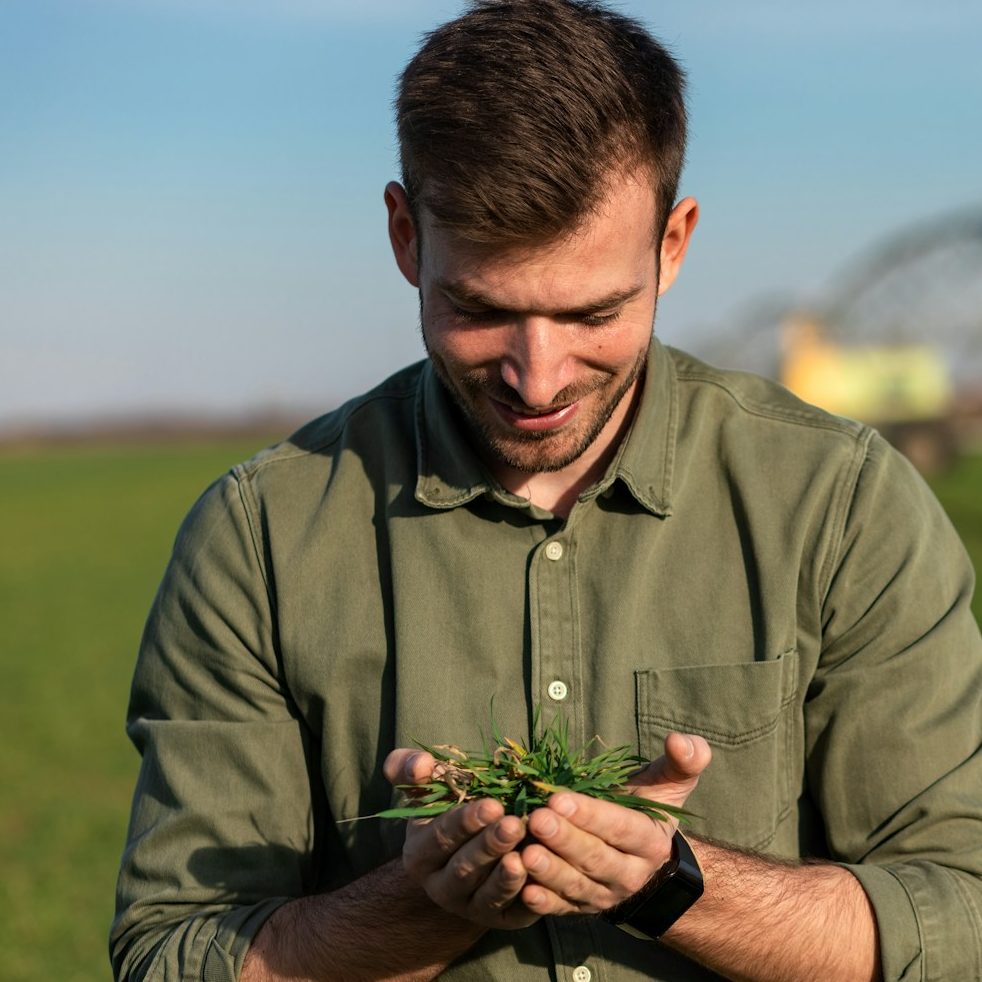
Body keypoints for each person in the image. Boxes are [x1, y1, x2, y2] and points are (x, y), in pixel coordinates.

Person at [111, 1, 982, 980]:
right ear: (405, 235)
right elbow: (172, 952)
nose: (538, 377)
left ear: (673, 242)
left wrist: (669, 883)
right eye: (480, 309)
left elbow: (960, 914)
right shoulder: (260, 539)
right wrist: (419, 903)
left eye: (592, 313)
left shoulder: (841, 504)